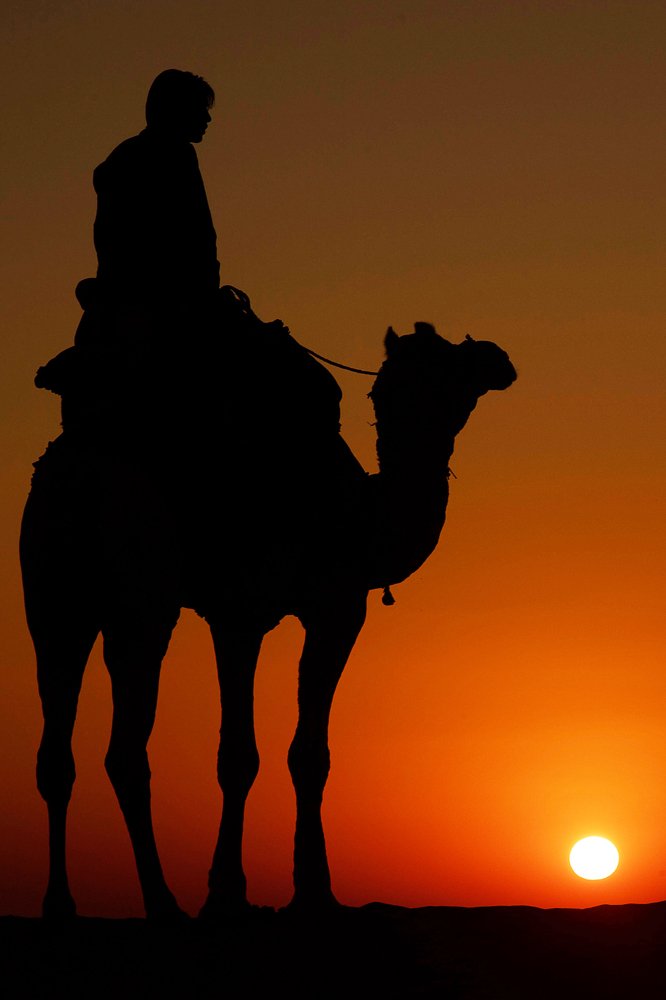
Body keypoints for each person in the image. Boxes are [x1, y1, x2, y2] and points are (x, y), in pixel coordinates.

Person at [76, 68, 220, 350]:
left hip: (121, 295)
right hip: (170, 302)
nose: (207, 118)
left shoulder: (122, 156)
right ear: (177, 109)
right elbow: (197, 235)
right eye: (200, 109)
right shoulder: (176, 154)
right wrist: (206, 295)